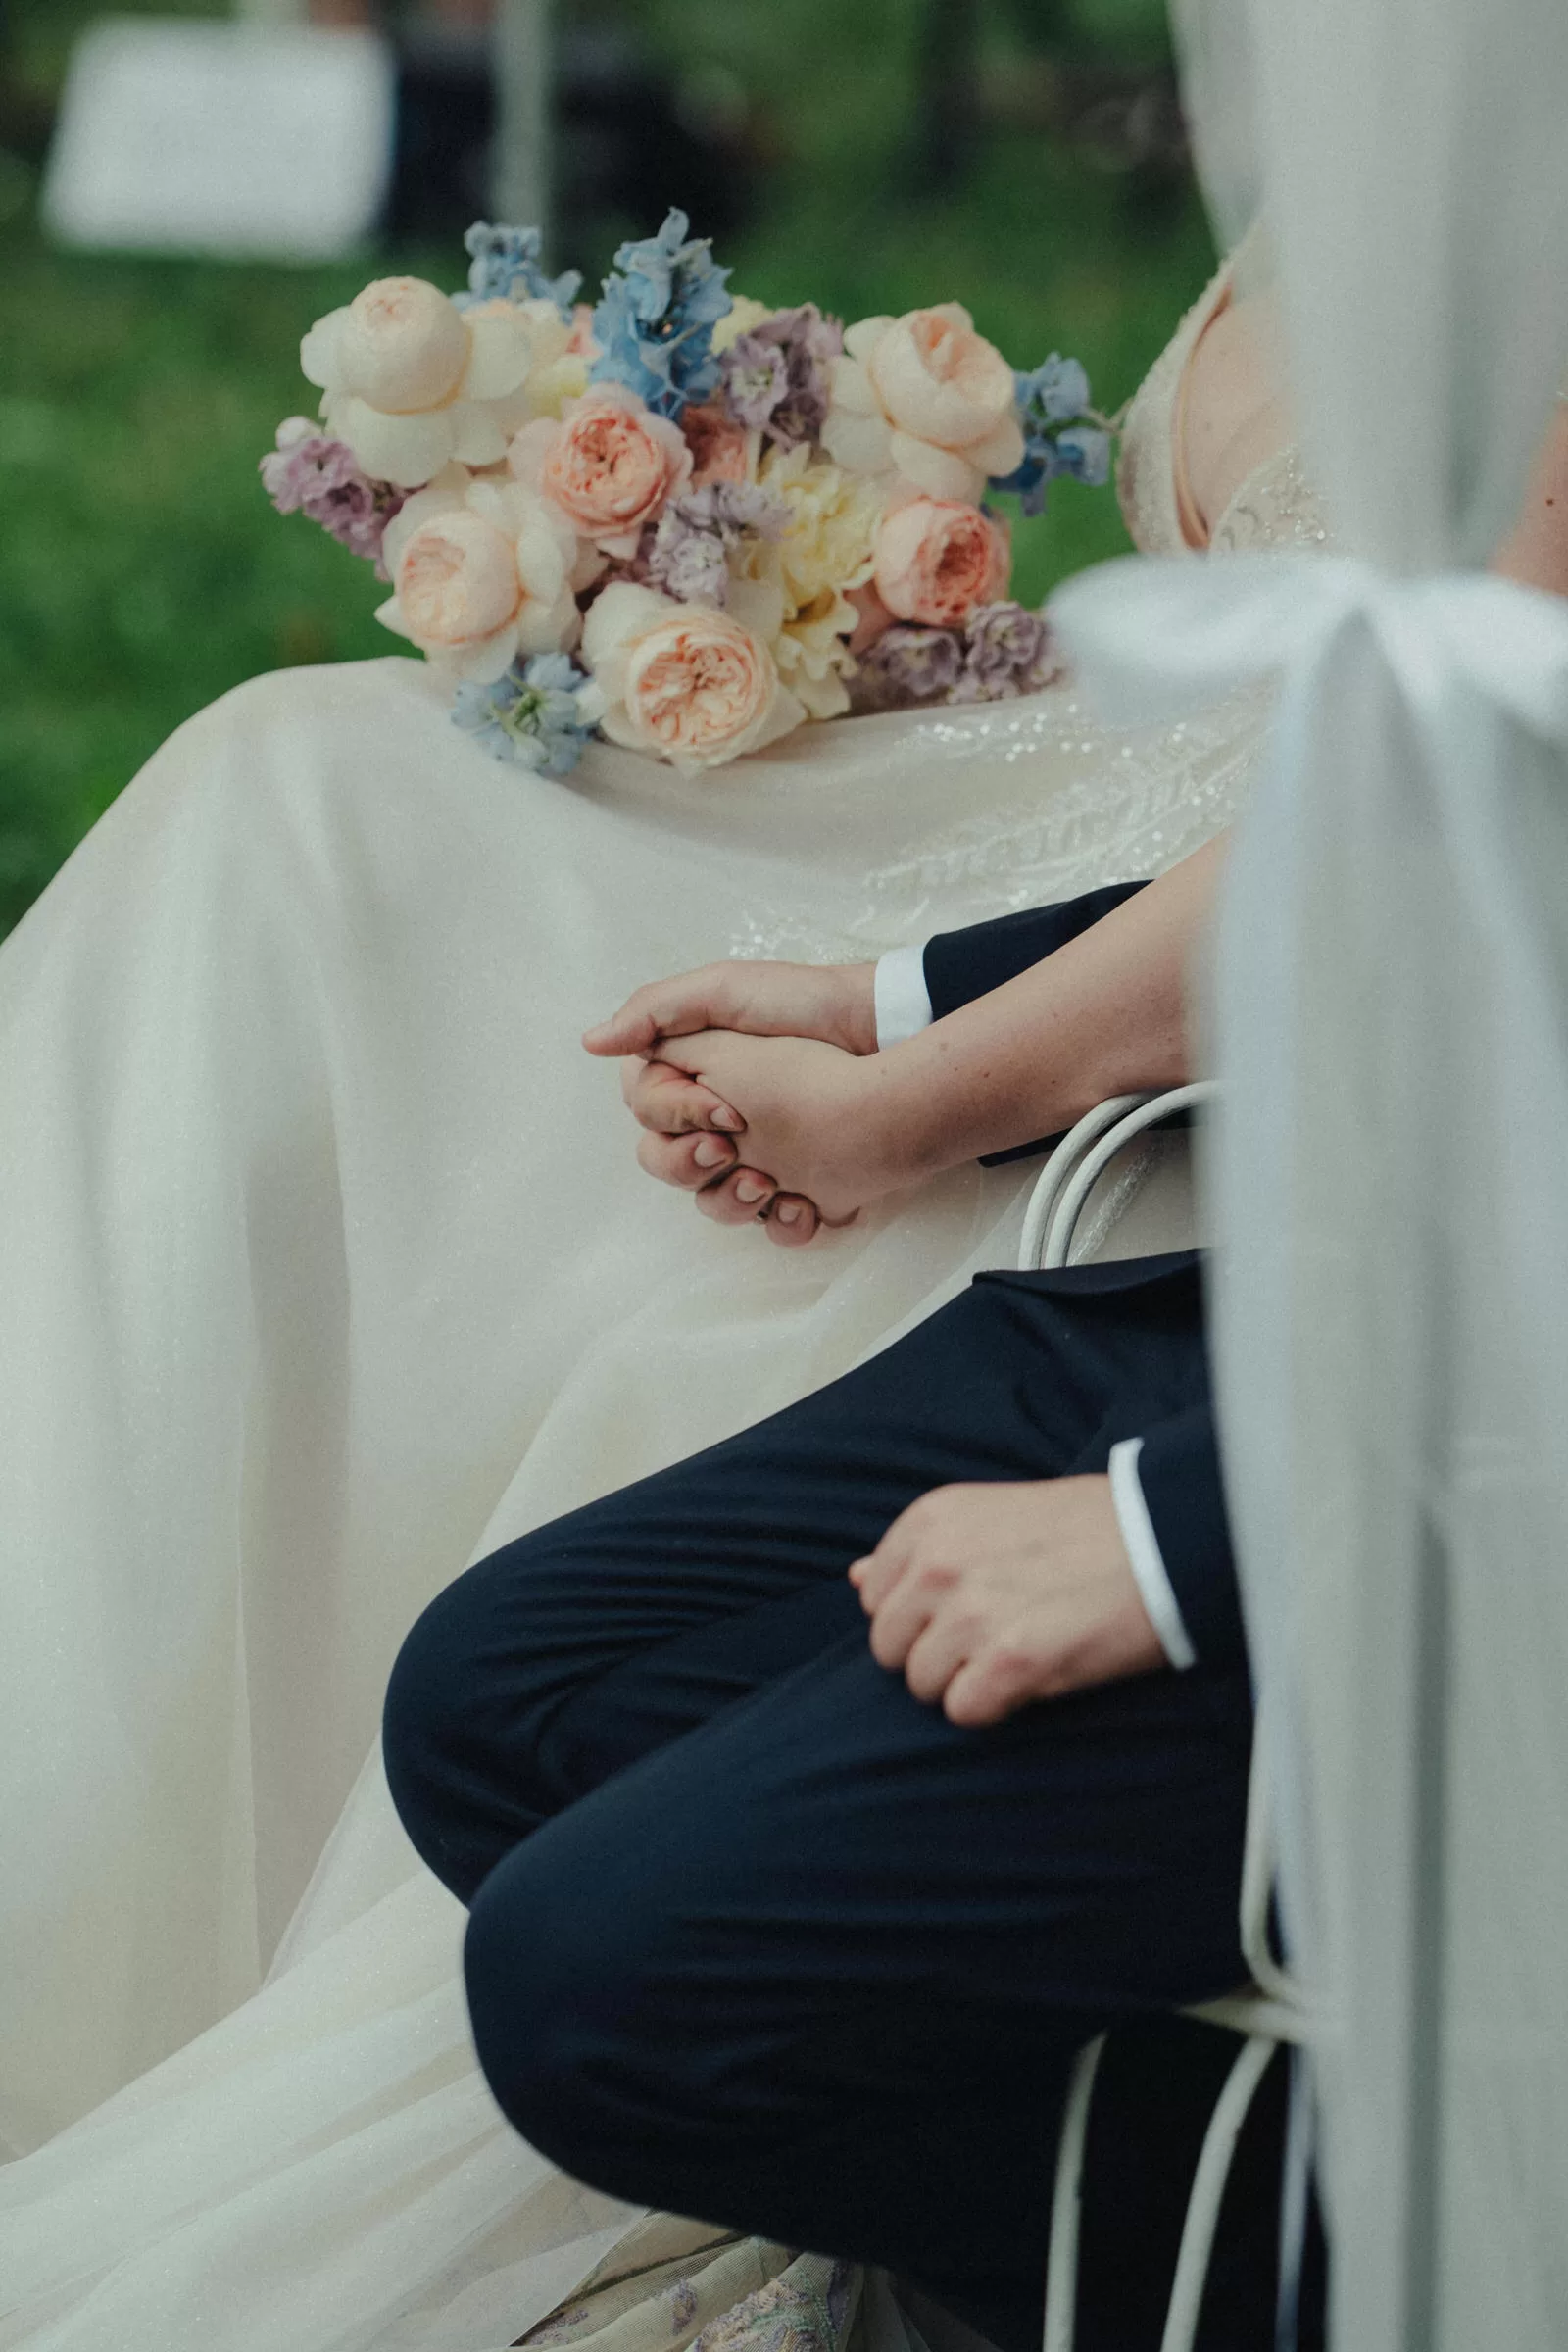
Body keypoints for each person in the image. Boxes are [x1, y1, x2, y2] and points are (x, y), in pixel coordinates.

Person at [0, 230, 1444, 2347]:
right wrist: (888, 984)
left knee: (594, 1985)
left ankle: (1341, 2245)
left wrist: (1160, 1522)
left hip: (1401, 1370)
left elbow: (1438, 827)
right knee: (495, 1694)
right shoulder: (1415, 131)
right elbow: (1433, 825)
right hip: (1218, 1012)